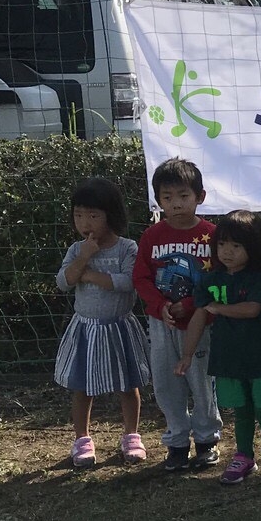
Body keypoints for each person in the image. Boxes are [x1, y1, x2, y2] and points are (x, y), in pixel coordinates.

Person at [176, 210, 261, 488]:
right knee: (241, 411)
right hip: (229, 359)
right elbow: (198, 316)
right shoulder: (209, 280)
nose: (227, 252)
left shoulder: (259, 278)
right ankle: (243, 457)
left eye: (236, 246)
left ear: (254, 248)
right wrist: (187, 354)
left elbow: (252, 309)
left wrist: (218, 308)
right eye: (222, 244)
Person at [132, 157, 223, 471]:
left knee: (202, 381)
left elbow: (221, 277)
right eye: (167, 198)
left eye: (184, 196)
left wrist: (198, 304)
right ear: (158, 200)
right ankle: (177, 441)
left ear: (200, 197)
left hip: (202, 325)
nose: (176, 204)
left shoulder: (212, 235)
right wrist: (160, 306)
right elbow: (141, 278)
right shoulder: (152, 237)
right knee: (166, 383)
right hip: (161, 325)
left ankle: (207, 438)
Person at [54, 177, 151, 468]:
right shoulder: (76, 250)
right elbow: (63, 282)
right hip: (86, 328)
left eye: (94, 215)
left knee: (128, 384)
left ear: (112, 215)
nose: (86, 222)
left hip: (120, 326)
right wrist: (83, 260)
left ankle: (131, 435)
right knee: (82, 386)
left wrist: (92, 276)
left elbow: (127, 282)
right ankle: (82, 439)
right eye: (79, 215)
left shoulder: (126, 248)